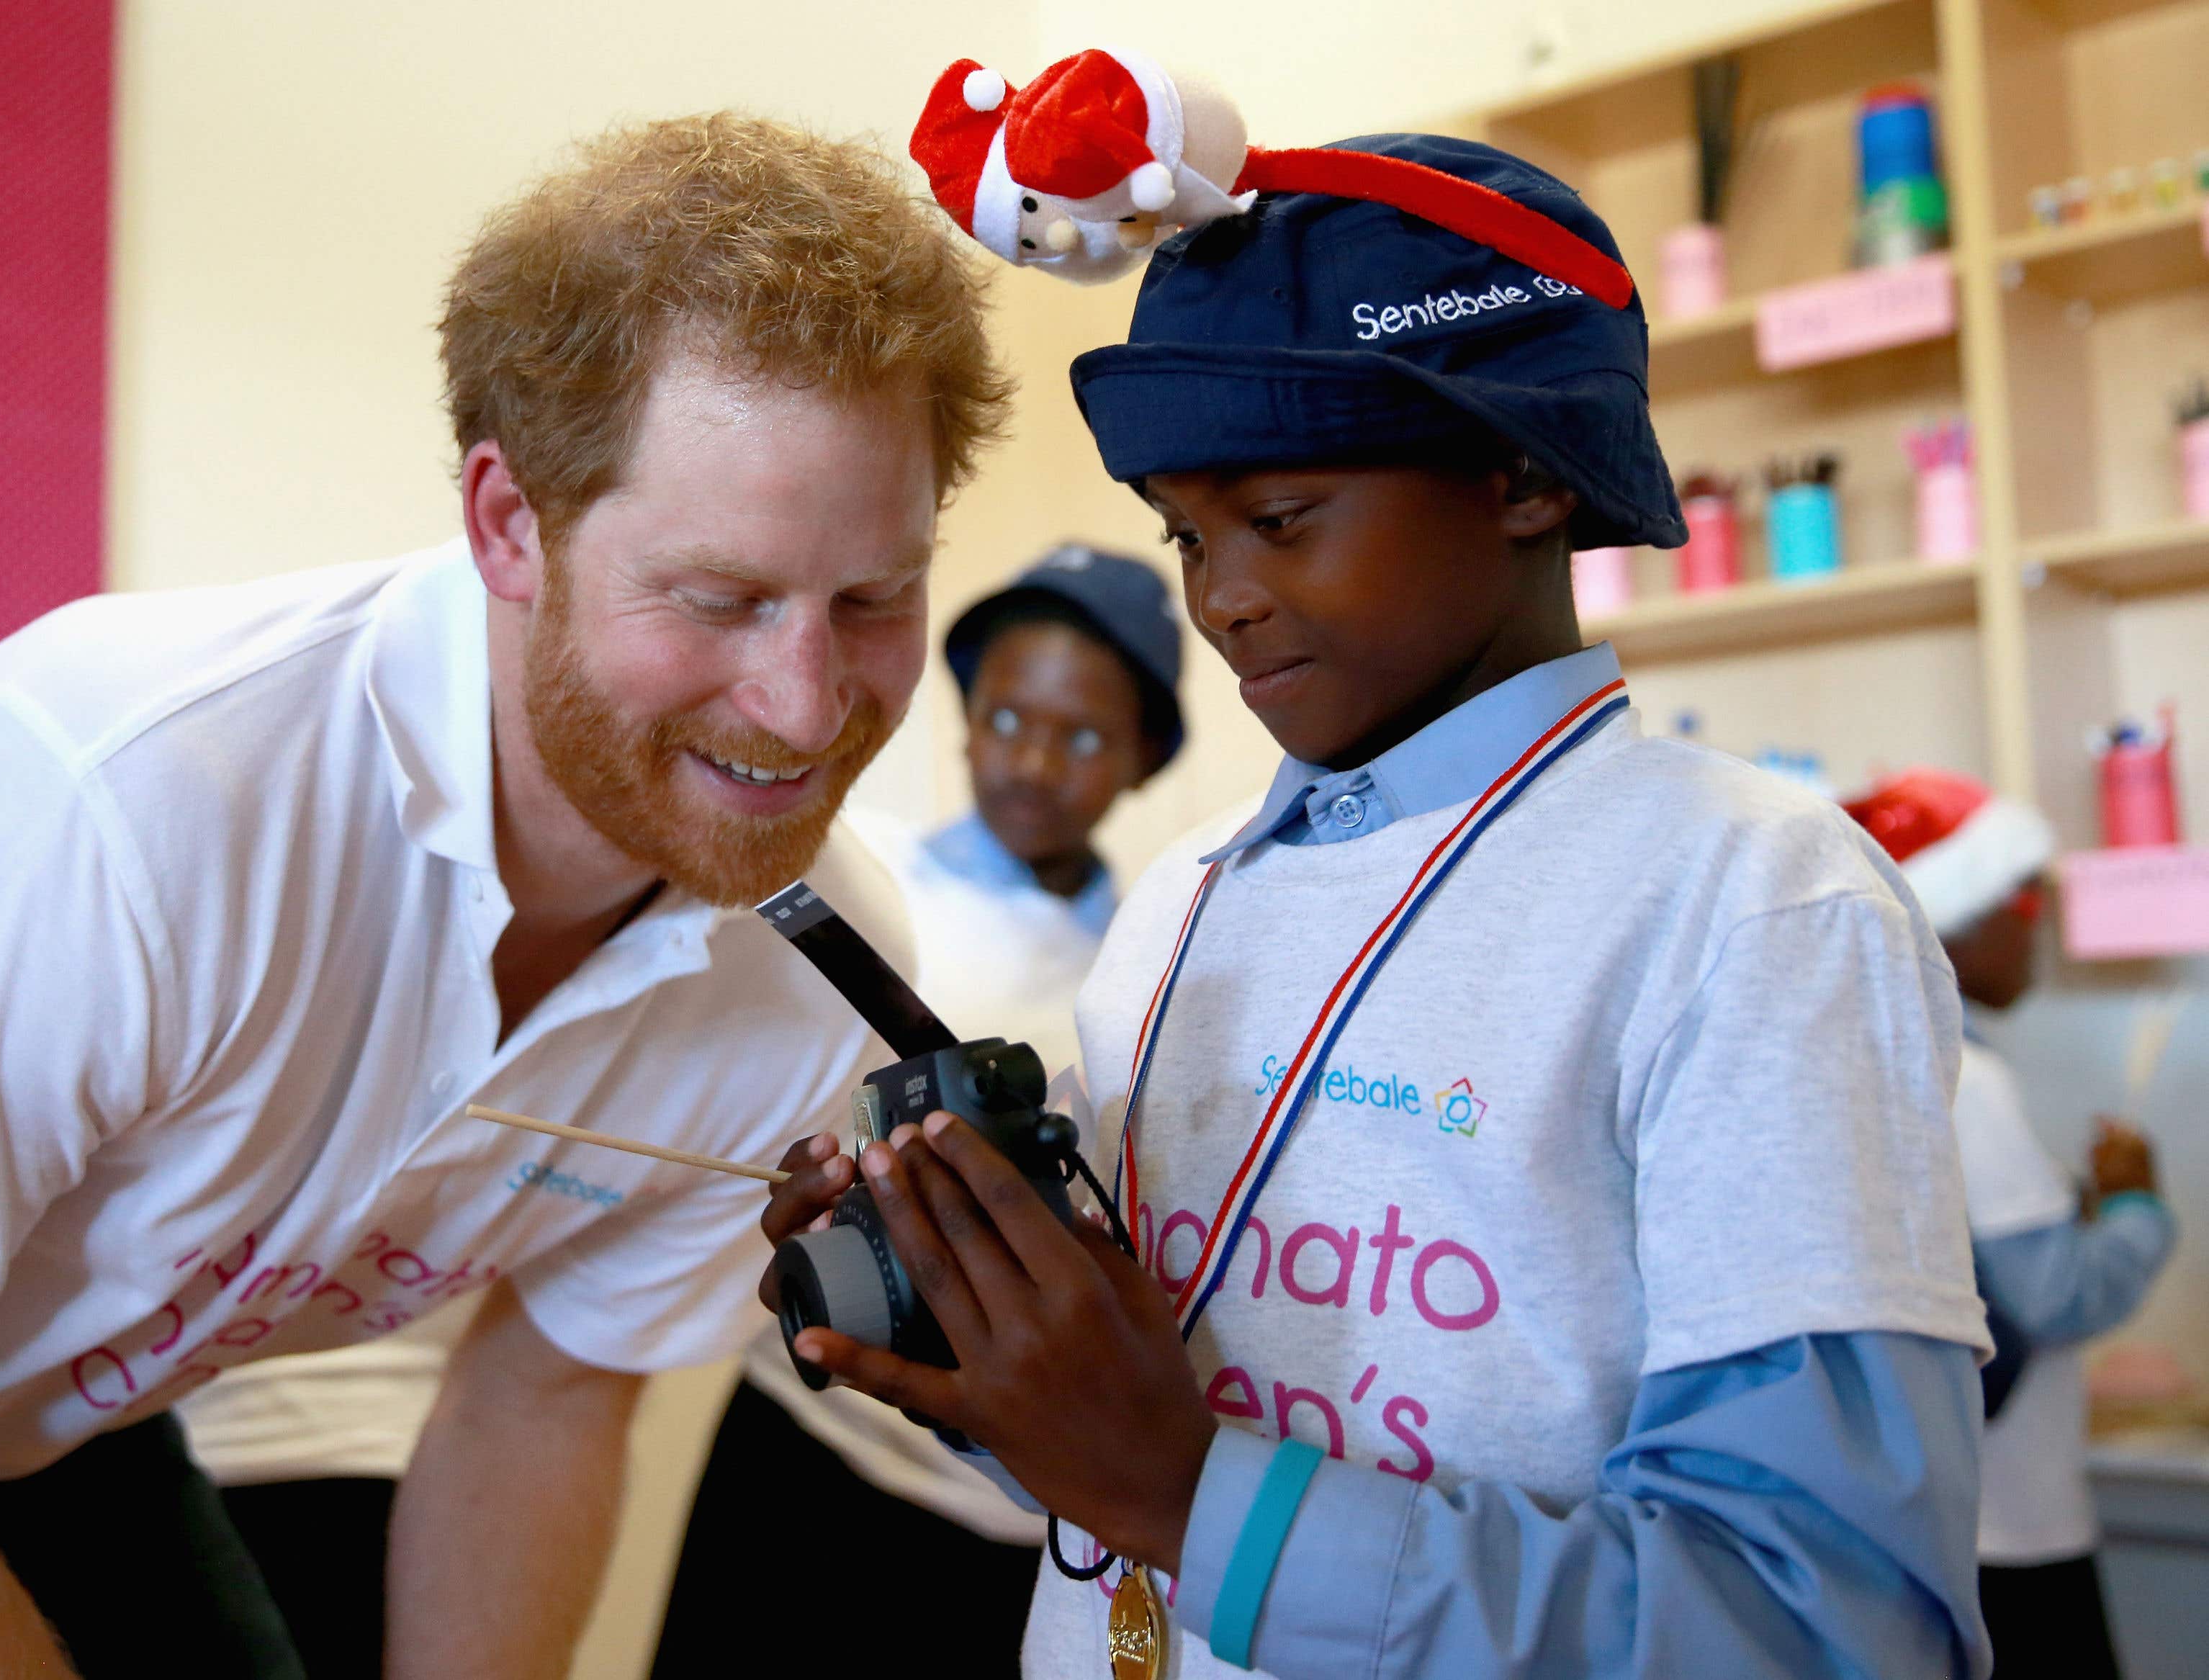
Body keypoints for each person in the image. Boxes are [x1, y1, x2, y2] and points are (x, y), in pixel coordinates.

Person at [0, 112, 1007, 1679]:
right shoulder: (132, 795)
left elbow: (549, 1395)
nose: (806, 708)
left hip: (16, 1416)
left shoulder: (808, 981)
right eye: (719, 598)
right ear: (509, 521)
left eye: (873, 597)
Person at [757, 132, 1995, 1679]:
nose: (1221, 596)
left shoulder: (1748, 903)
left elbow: (1823, 1622)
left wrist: (1186, 1489)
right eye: (1186, 533)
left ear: (1528, 470)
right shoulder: (1181, 906)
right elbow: (1141, 1456)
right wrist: (968, 1338)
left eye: (1280, 515)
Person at [649, 545, 1182, 1676]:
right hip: (801, 1441)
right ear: (968, 711)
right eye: (1006, 718)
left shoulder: (1148, 971)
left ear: (1142, 756)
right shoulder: (848, 893)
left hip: (995, 1508)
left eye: (1083, 737)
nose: (1034, 762)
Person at [1846, 768, 2179, 1679]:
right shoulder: (1967, 1079)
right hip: (2014, 1522)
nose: (2038, 918)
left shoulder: (1872, 1057)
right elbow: (2054, 1296)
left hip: (1926, 1513)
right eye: (2022, 893)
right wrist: (2135, 1204)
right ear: (1951, 912)